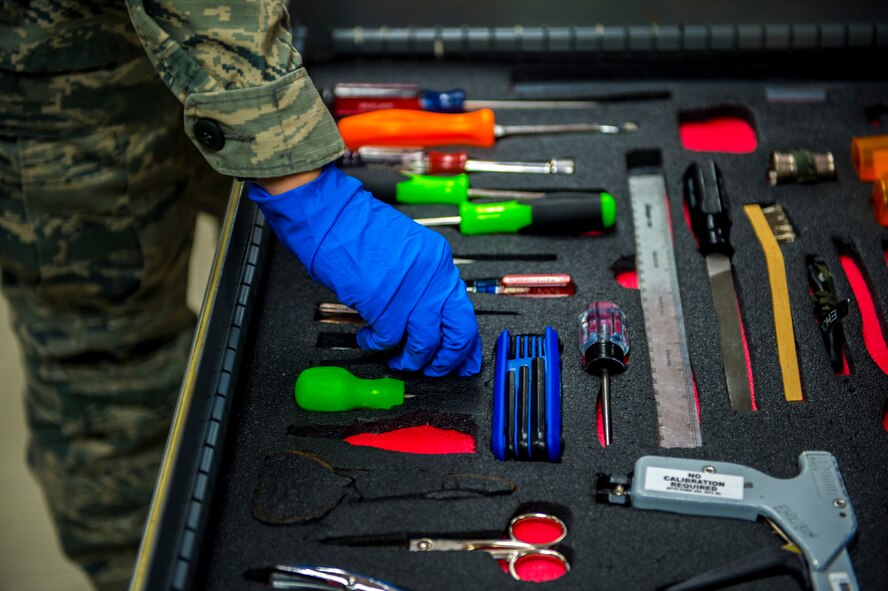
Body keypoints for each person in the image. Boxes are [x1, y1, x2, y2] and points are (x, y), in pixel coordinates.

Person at [0, 2, 482, 589]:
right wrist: (307, 190)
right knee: (112, 364)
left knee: (272, 260)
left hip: (240, 49)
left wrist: (284, 149)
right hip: (67, 81)